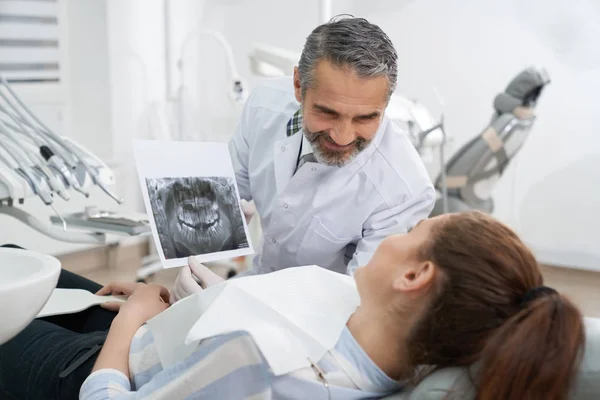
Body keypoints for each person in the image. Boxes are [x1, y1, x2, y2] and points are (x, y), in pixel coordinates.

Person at [0, 211, 585, 399]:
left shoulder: (272, 364)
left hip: (98, 370)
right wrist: (177, 305)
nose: (393, 234)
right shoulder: (396, 352)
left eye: (412, 228)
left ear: (415, 273)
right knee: (22, 257)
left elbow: (245, 362)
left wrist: (130, 324)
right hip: (162, 333)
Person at [171, 16, 435, 301]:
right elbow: (222, 197)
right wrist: (193, 259)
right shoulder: (263, 107)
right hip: (256, 286)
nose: (343, 136)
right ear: (298, 85)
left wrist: (237, 304)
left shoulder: (404, 190)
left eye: (365, 118)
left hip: (320, 323)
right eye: (328, 113)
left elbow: (357, 309)